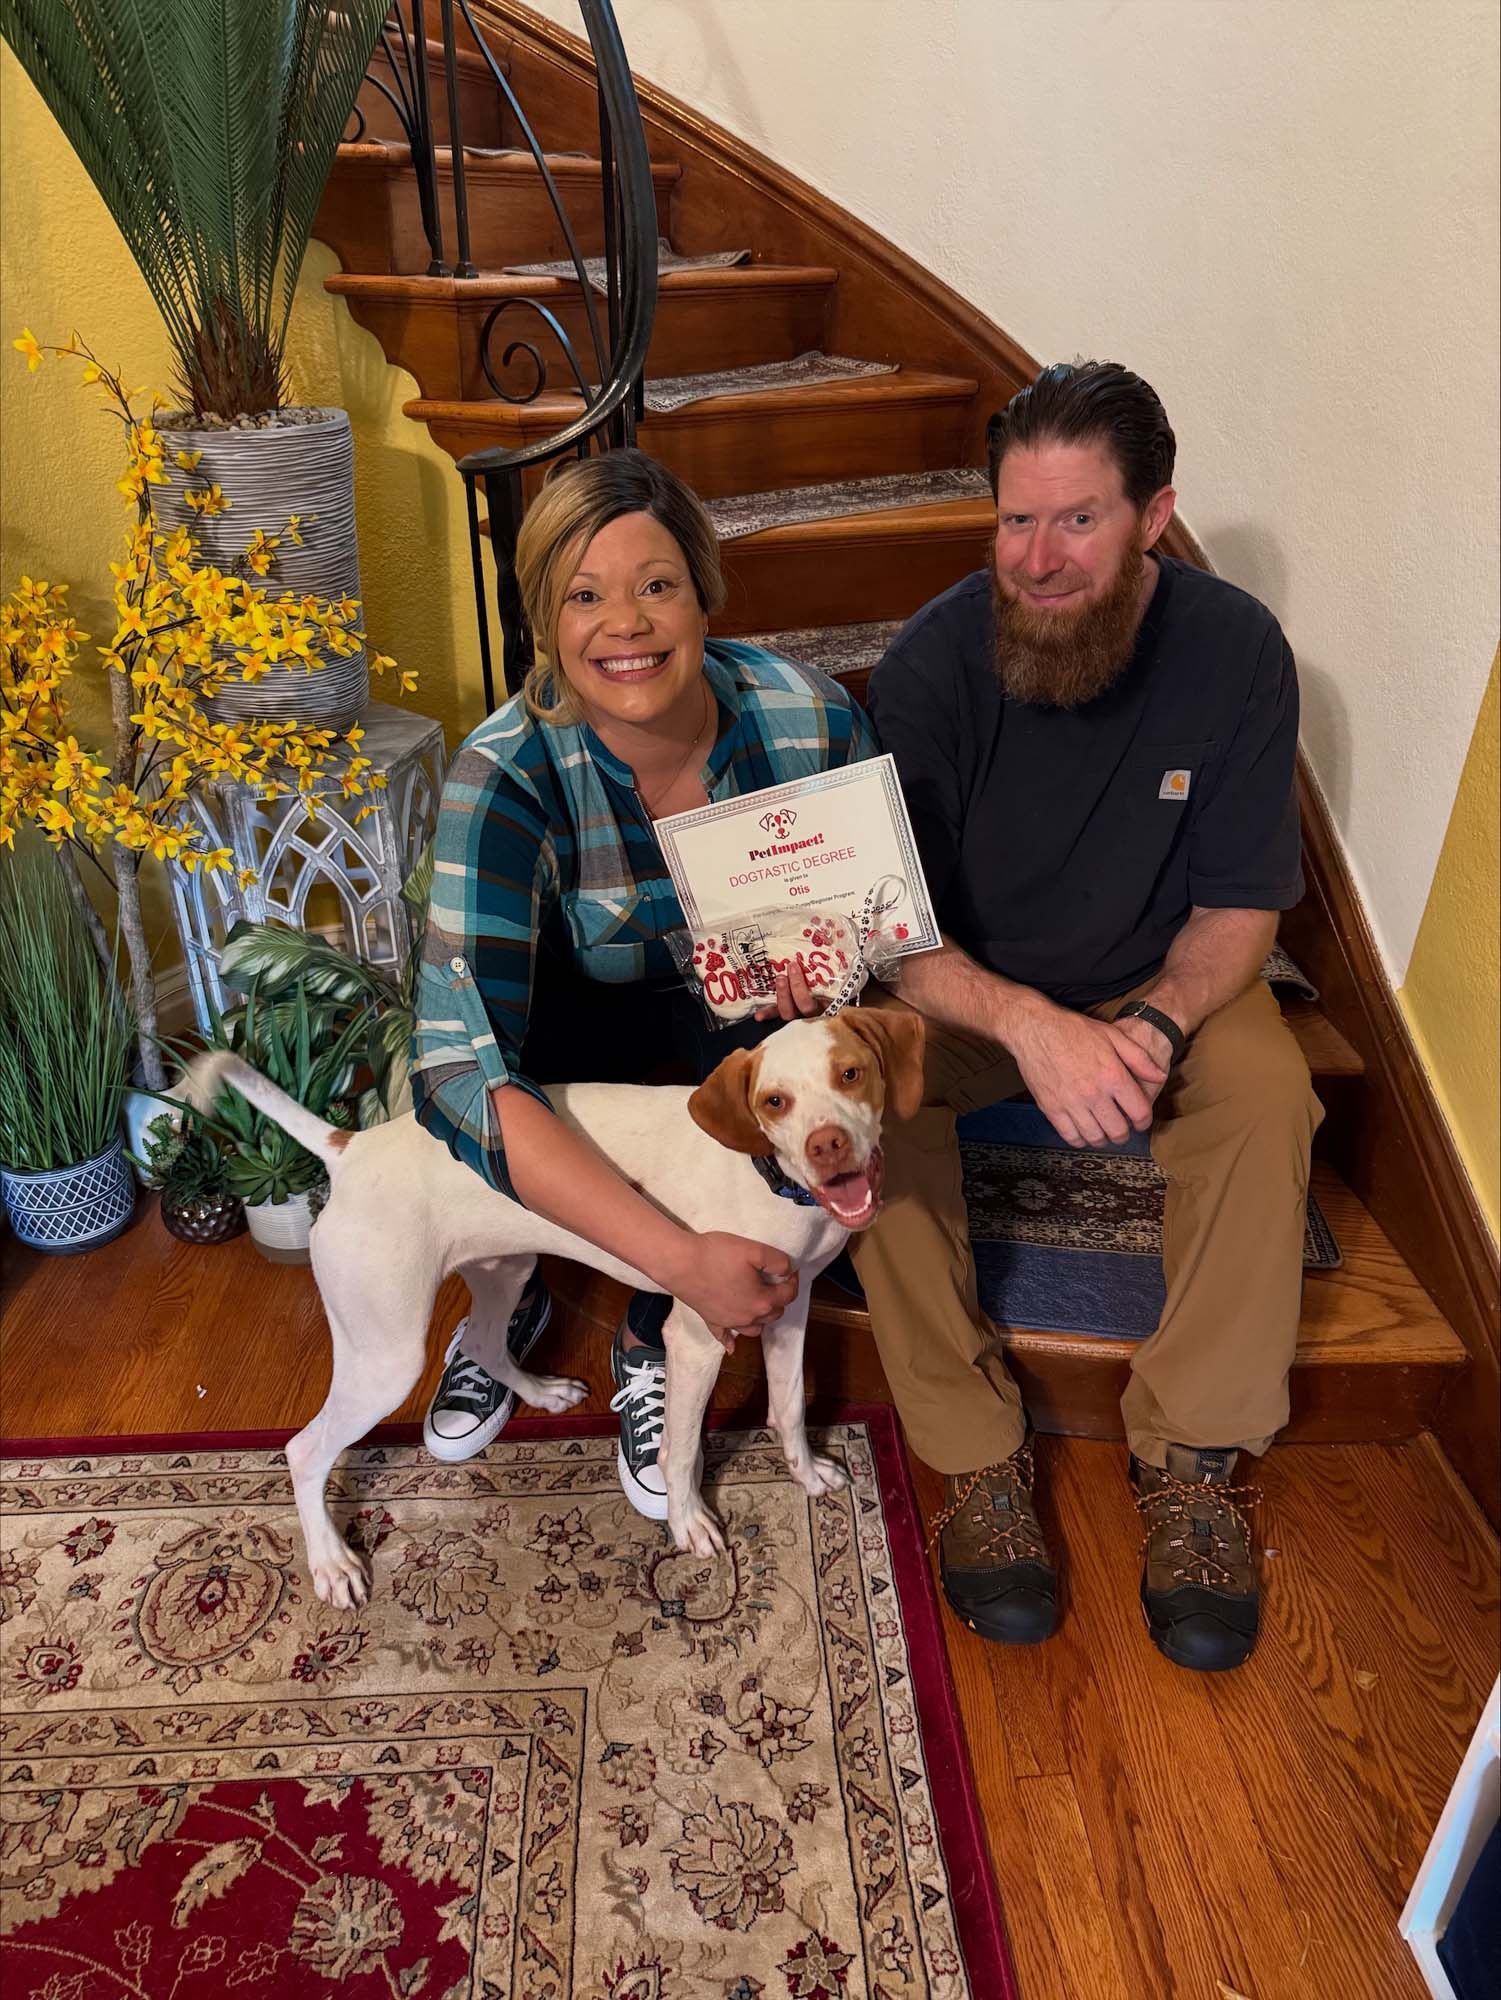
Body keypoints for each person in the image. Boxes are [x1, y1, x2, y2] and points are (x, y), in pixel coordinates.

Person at [856, 360, 1322, 1671]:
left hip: (1150, 981)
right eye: (1015, 520)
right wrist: (1026, 1027)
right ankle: (974, 1459)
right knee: (863, 1102)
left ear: (1154, 516)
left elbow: (1240, 914)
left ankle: (1189, 1463)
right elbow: (895, 939)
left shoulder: (1233, 654)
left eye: (1077, 520)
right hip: (969, 985)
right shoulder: (934, 661)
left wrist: (1159, 1026)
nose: (1039, 558)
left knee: (1271, 1096)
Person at [409, 448, 876, 1518]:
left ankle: (645, 1337)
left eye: (656, 584)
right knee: (512, 1061)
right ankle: (507, 1295)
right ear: (544, 622)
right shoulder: (504, 771)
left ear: (703, 596)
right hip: (576, 1048)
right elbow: (456, 1066)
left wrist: (839, 990)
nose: (625, 623)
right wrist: (677, 1251)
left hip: (737, 1050)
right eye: (585, 595)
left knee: (756, 1031)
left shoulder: (810, 719)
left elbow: (885, 938)